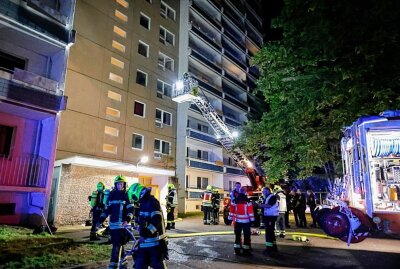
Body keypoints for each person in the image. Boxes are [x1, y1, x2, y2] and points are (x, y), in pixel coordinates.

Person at [128, 183, 168, 269]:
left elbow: (157, 220)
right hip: (145, 243)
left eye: (134, 197)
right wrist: (139, 226)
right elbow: (147, 220)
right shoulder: (144, 203)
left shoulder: (152, 202)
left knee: (158, 266)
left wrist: (145, 234)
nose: (135, 201)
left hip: (155, 243)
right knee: (139, 265)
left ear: (137, 194)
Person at [98, 175, 134, 269]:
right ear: (115, 184)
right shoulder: (111, 195)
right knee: (118, 244)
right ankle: (124, 264)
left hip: (123, 226)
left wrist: (127, 220)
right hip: (113, 226)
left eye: (121, 184)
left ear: (124, 185)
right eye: (118, 184)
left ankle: (113, 266)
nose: (120, 185)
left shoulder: (127, 195)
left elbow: (131, 210)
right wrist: (101, 219)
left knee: (116, 246)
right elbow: (107, 210)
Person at [228, 186, 254, 256]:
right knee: (246, 237)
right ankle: (246, 251)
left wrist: (230, 219)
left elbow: (231, 211)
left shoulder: (235, 201)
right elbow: (250, 212)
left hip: (238, 221)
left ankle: (237, 251)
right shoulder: (248, 201)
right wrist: (252, 220)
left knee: (237, 236)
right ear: (245, 192)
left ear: (239, 191)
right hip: (246, 222)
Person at [259, 187, 279, 256]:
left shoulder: (272, 197)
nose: (263, 193)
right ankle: (273, 247)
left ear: (268, 191)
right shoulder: (268, 197)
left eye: (264, 191)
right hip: (269, 217)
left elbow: (268, 206)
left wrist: (259, 205)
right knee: (271, 233)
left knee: (269, 233)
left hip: (270, 217)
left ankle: (269, 249)